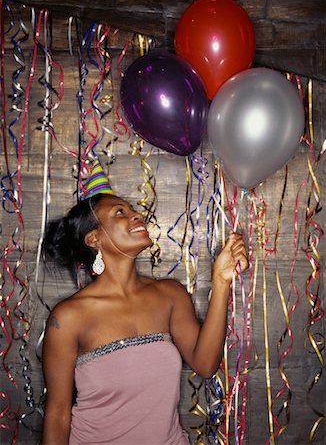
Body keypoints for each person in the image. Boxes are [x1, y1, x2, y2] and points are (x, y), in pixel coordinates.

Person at [41, 184, 248, 444]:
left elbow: (206, 364)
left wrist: (221, 281)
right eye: (120, 212)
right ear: (95, 239)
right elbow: (58, 414)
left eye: (133, 210)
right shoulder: (69, 317)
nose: (137, 215)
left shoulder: (170, 295)